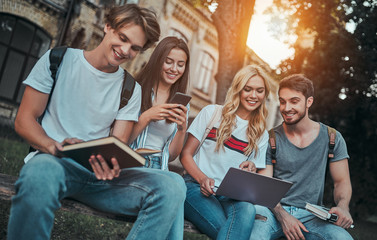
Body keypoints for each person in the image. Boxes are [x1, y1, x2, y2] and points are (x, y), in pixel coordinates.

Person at [8, 4, 186, 240]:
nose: (124, 50)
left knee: (172, 186)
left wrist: (110, 161)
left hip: (100, 179)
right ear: (108, 26)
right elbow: (24, 120)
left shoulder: (130, 88)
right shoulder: (57, 60)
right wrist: (54, 146)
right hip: (54, 164)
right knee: (39, 171)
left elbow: (118, 143)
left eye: (134, 48)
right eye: (122, 38)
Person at [250, 74, 353, 240]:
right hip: (273, 211)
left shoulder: (332, 138)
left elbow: (341, 182)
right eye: (282, 101)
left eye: (294, 101)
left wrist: (343, 206)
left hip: (312, 216)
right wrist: (283, 216)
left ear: (309, 102)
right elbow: (265, 188)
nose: (286, 107)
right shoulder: (270, 139)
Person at [180, 65, 271, 239]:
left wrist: (251, 167)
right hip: (196, 187)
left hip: (232, 196)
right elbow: (185, 155)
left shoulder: (261, 133)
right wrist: (203, 179)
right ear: (238, 89)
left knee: (247, 209)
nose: (254, 96)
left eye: (260, 91)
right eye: (248, 89)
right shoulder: (211, 113)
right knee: (231, 231)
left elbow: (252, 172)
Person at [130, 36, 190, 171]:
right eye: (168, 62)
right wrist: (146, 117)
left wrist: (182, 129)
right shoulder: (136, 90)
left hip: (159, 167)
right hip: (132, 161)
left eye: (180, 65)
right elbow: (121, 140)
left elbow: (171, 156)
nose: (174, 69)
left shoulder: (182, 103)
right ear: (158, 61)